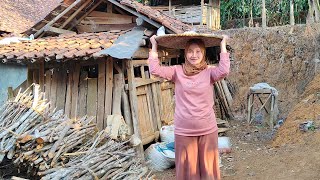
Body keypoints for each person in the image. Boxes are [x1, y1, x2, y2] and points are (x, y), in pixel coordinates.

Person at [148, 33, 230, 180]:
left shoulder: (209, 72)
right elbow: (155, 70)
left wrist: (223, 45)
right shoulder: (177, 72)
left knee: (208, 171)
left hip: (207, 129)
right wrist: (154, 45)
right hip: (184, 131)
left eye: (198, 51)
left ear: (203, 53)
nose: (194, 55)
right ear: (185, 53)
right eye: (190, 51)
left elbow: (224, 70)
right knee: (187, 172)